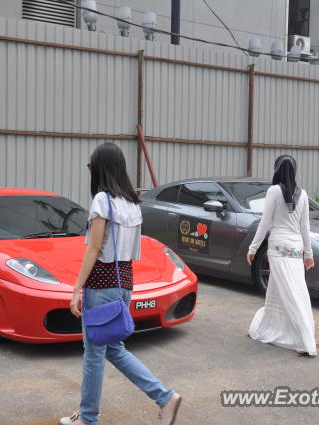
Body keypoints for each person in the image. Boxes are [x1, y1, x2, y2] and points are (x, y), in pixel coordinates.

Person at [60, 143, 182, 425]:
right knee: (113, 349)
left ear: (100, 168)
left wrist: (77, 288)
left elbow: (94, 248)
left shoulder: (103, 200)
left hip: (101, 286)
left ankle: (88, 418)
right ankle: (164, 397)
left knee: (94, 354)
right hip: (125, 282)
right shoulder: (133, 204)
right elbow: (133, 252)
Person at [246, 155, 317, 356]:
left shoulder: (273, 191)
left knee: (289, 292)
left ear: (276, 170)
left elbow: (264, 222)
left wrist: (253, 249)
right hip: (295, 249)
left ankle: (304, 338)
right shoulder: (303, 194)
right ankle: (269, 328)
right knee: (287, 289)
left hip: (278, 248)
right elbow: (305, 227)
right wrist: (308, 254)